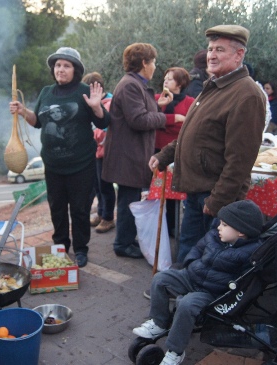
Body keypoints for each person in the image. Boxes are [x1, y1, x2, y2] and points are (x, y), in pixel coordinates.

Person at [149, 25, 266, 264]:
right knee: (190, 250)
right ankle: (178, 291)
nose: (211, 55)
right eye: (211, 49)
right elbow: (194, 134)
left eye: (220, 50)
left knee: (206, 258)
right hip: (197, 190)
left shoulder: (246, 94)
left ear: (239, 54)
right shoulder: (214, 86)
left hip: (213, 195)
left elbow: (240, 160)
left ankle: (191, 298)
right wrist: (165, 155)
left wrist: (218, 201)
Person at [9, 47, 110, 268]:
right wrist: (23, 111)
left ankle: (81, 249)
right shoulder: (46, 92)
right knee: (57, 208)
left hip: (81, 164)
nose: (60, 69)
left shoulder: (85, 91)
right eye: (57, 65)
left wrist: (97, 108)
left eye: (66, 65)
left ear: (75, 69)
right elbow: (37, 122)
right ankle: (61, 246)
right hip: (53, 165)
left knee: (80, 210)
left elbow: (104, 122)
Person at [132, 200, 264, 365]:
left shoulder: (250, 252)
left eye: (224, 225)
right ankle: (159, 321)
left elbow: (246, 281)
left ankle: (175, 350)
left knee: (187, 304)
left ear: (241, 232)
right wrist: (190, 263)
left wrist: (231, 292)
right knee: (160, 279)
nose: (218, 227)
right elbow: (197, 248)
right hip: (192, 276)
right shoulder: (214, 236)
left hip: (211, 291)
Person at [101, 43, 169, 259]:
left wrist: (160, 106)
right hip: (128, 156)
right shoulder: (131, 85)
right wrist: (168, 118)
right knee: (128, 201)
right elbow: (138, 120)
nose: (155, 67)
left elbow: (143, 112)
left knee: (129, 199)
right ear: (144, 63)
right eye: (154, 62)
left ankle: (127, 239)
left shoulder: (135, 84)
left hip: (131, 154)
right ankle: (123, 244)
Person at [155, 67, 195, 236]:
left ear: (180, 83)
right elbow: (152, 120)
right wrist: (174, 119)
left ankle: (171, 227)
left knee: (172, 192)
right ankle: (157, 227)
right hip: (157, 150)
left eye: (170, 79)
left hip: (177, 151)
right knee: (156, 191)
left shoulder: (190, 102)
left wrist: (167, 122)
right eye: (165, 78)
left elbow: (188, 126)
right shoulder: (157, 99)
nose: (165, 81)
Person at [83, 72, 116, 234]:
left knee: (105, 186)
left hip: (107, 153)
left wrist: (90, 136)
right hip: (96, 153)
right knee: (97, 186)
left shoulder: (109, 104)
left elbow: (103, 131)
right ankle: (101, 212)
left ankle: (108, 217)